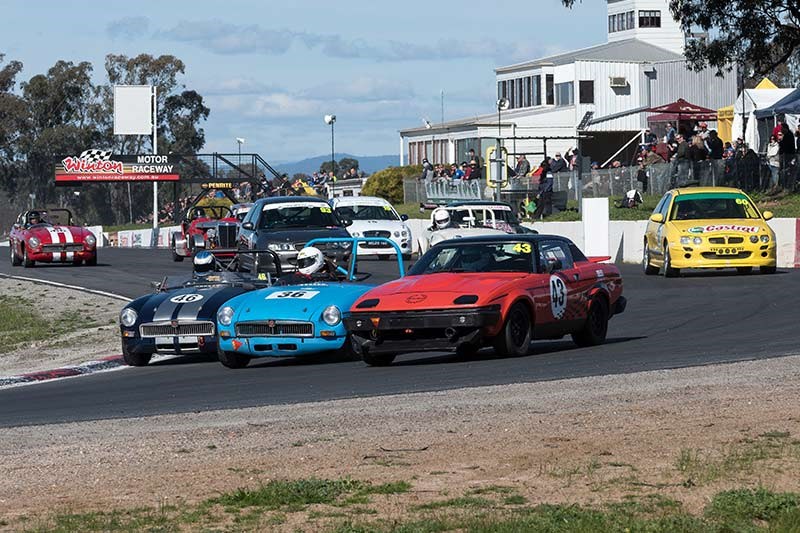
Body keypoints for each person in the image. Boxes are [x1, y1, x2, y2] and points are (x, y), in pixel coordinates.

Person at [275, 247, 340, 285]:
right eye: (302, 263)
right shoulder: (290, 279)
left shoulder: (328, 279)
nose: (304, 265)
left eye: (307, 262)